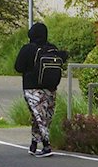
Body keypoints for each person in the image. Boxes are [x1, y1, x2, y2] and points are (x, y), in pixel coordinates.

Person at [13, 22, 68, 157]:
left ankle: (45, 145)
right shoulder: (52, 49)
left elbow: (18, 67)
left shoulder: (27, 49)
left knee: (38, 116)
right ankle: (34, 143)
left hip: (32, 87)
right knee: (43, 116)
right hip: (50, 87)